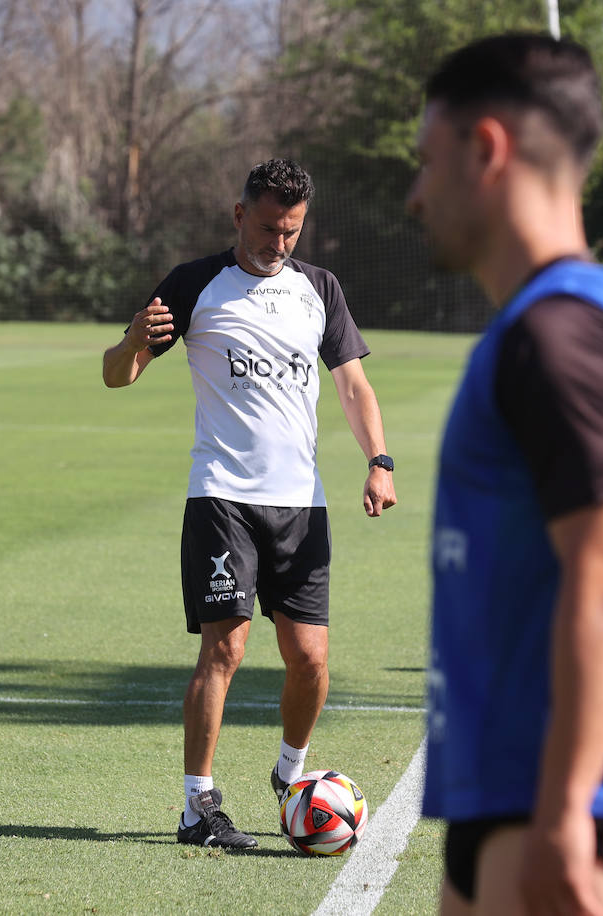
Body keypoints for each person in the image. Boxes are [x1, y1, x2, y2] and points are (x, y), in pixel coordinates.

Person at [406, 34, 603, 914]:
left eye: (428, 162)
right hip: (518, 787)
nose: (415, 194)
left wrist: (566, 810)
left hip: (588, 794)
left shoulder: (560, 333)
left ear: (487, 150)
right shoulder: (549, 324)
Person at [102, 158, 396, 849]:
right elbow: (118, 377)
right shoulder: (195, 284)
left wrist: (378, 461)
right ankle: (196, 807)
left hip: (303, 505)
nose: (279, 242)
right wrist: (131, 341)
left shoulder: (319, 288)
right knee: (225, 650)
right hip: (223, 498)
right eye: (268, 228)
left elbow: (353, 386)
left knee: (311, 660)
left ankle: (290, 774)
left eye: (291, 231)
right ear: (240, 215)